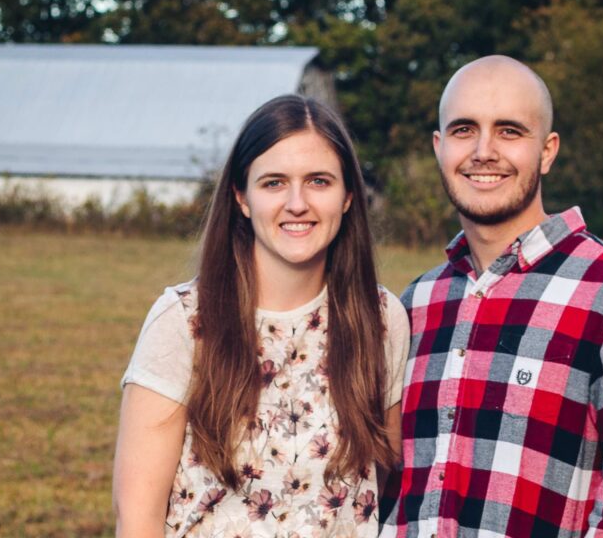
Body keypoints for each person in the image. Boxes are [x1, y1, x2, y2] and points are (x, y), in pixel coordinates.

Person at [383, 56, 603, 537]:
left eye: (509, 131)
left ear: (547, 151)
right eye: (464, 130)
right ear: (439, 148)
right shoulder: (416, 303)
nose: (484, 151)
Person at [114, 95, 409, 537]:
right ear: (242, 197)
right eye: (273, 183)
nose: (297, 203)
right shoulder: (185, 321)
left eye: (318, 181)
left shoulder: (381, 318)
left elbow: (384, 481)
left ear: (348, 196)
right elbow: (138, 521)